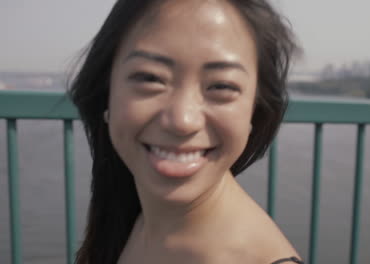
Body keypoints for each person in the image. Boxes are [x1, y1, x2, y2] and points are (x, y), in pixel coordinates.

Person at [69, 0, 301, 263]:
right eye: (150, 78)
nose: (182, 121)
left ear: (254, 112)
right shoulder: (133, 211)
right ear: (106, 94)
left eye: (222, 86)